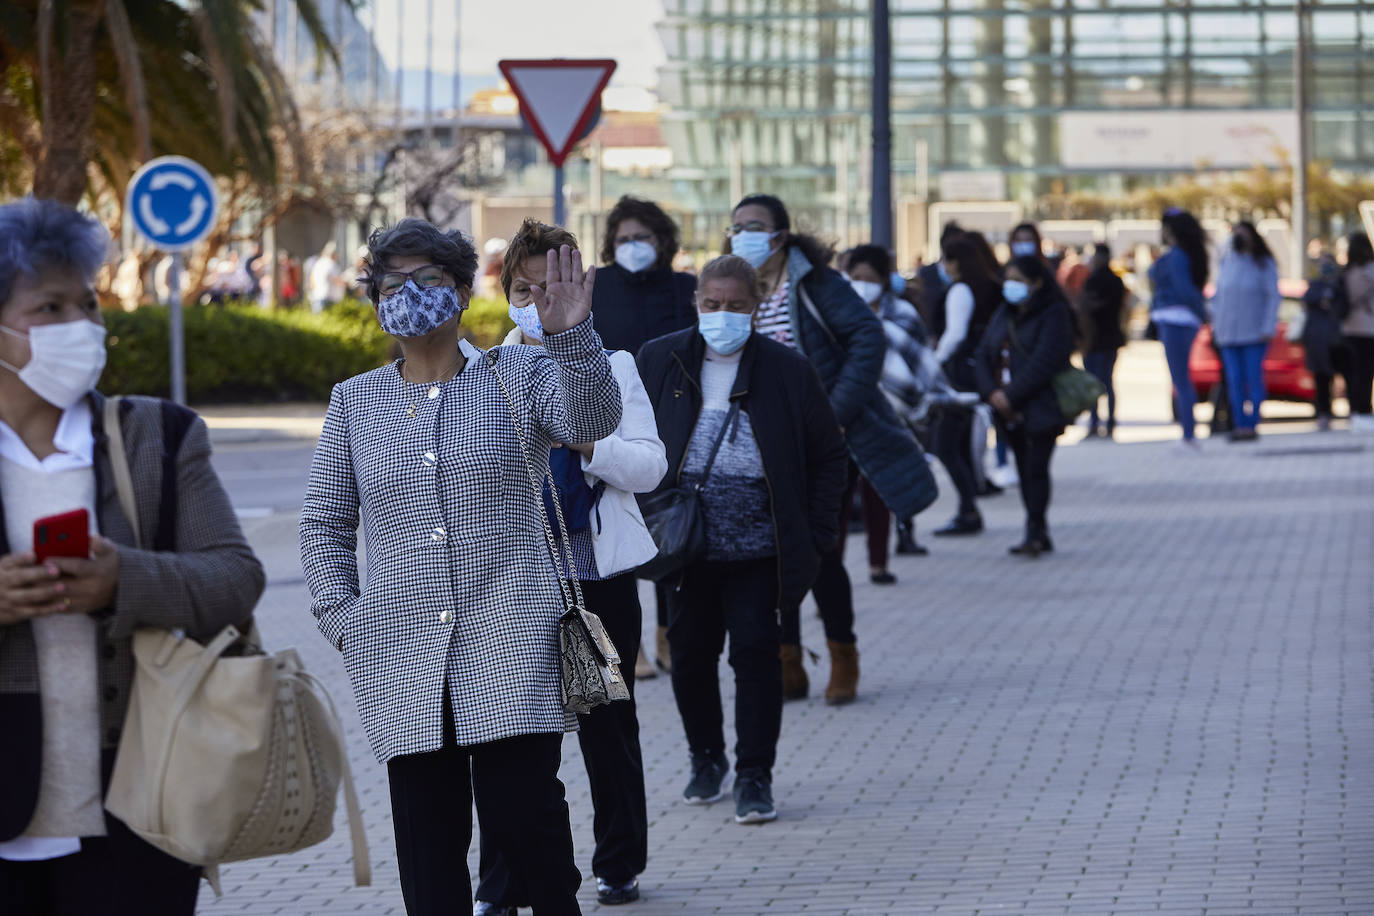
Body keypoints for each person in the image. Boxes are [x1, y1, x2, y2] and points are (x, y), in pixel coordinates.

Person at [299, 218, 622, 916]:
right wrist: (347, 620)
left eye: (431, 281)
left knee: (527, 825)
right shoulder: (355, 403)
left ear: (463, 289)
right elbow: (325, 523)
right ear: (375, 297)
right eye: (394, 284)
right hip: (401, 651)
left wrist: (573, 337)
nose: (411, 296)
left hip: (512, 636)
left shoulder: (519, 373)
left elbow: (591, 417)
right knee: (428, 848)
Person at [0, 198, 265, 914]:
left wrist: (125, 580)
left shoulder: (158, 437)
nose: (79, 326)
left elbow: (236, 579)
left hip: (140, 813)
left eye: (88, 303)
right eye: (49, 307)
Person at [476, 220, 665, 911]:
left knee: (609, 729)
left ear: (577, 285)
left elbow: (649, 466)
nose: (538, 299)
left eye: (550, 284)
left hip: (597, 576)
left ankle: (619, 862)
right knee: (509, 736)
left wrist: (588, 442)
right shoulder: (484, 374)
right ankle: (501, 881)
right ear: (506, 294)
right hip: (517, 580)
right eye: (523, 288)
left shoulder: (611, 366)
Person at [637, 254, 848, 824]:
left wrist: (820, 533)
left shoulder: (787, 370)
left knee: (756, 658)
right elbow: (630, 440)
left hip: (761, 546)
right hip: (685, 544)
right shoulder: (662, 358)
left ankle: (756, 774)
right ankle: (706, 759)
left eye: (735, 306)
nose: (722, 315)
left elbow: (829, 457)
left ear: (755, 307)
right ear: (697, 302)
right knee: (689, 656)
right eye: (712, 305)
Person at [722, 194, 933, 705]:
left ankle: (843, 654)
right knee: (772, 553)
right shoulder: (731, 286)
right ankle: (787, 658)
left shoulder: (816, 282)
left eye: (756, 225)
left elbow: (868, 337)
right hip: (756, 441)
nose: (744, 234)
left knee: (818, 551)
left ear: (780, 234)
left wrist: (835, 413)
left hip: (822, 441)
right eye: (737, 226)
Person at [591, 196, 699, 678]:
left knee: (669, 523)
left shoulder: (683, 288)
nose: (634, 247)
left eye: (644, 238)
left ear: (663, 241)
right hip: (613, 420)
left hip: (673, 419)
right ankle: (628, 642)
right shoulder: (598, 287)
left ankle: (669, 633)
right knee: (619, 526)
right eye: (624, 239)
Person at [974, 255, 1075, 557]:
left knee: (1036, 468)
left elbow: (1046, 360)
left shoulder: (1054, 313)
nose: (1011, 285)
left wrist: (1012, 395)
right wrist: (992, 393)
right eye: (1009, 279)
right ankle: (1034, 528)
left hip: (1039, 404)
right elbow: (982, 354)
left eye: (1018, 280)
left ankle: (1036, 529)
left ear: (1037, 283)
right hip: (1004, 407)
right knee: (1022, 465)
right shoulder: (1003, 313)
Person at [846, 244, 929, 564]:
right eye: (855, 276)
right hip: (850, 412)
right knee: (841, 494)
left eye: (867, 278)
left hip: (892, 412)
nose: (861, 283)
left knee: (884, 485)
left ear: (882, 280)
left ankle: (884, 557)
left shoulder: (902, 313)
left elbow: (919, 362)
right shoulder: (839, 314)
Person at [930, 234, 1001, 536]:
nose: (942, 266)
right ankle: (967, 507)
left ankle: (969, 508)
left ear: (956, 262)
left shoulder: (960, 290)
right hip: (976, 375)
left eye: (945, 259)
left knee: (946, 446)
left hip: (958, 378)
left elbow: (955, 334)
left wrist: (934, 363)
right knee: (957, 443)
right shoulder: (988, 287)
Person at [1211, 221, 1280, 442]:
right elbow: (1218, 297)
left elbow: (1273, 296)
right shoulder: (1227, 261)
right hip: (1228, 334)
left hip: (1254, 333)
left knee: (1253, 379)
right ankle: (1240, 424)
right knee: (1234, 381)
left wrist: (1268, 326)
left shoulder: (1263, 263)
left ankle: (1252, 424)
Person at [1148, 208, 1210, 450]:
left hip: (1176, 319)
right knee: (1181, 379)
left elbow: (1185, 289)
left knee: (1180, 380)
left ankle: (1188, 435)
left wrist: (1201, 313)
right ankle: (1188, 433)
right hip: (1178, 319)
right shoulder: (1182, 254)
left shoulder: (1177, 256)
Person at [1079, 243, 1127, 438]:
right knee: (1106, 381)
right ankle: (1108, 422)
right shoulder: (1116, 281)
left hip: (1096, 338)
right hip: (1109, 337)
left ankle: (1094, 422)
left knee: (1096, 382)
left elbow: (1087, 307)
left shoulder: (1095, 280)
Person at [1302, 255, 1351, 431]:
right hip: (1318, 341)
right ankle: (1324, 413)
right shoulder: (1314, 285)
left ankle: (1354, 411)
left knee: (1348, 375)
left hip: (1339, 340)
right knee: (1322, 379)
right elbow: (1308, 300)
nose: (1325, 269)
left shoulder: (1341, 284)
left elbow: (1344, 306)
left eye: (1328, 265)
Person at [1341, 232, 1374, 432]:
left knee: (1352, 373)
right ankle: (1363, 411)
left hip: (1348, 328)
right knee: (1366, 373)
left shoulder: (1345, 273)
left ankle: (1355, 411)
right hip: (1369, 328)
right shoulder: (1370, 271)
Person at [307, 241, 341, 313]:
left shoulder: (319, 263)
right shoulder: (331, 264)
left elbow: (311, 279)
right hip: (328, 297)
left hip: (317, 295)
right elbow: (337, 280)